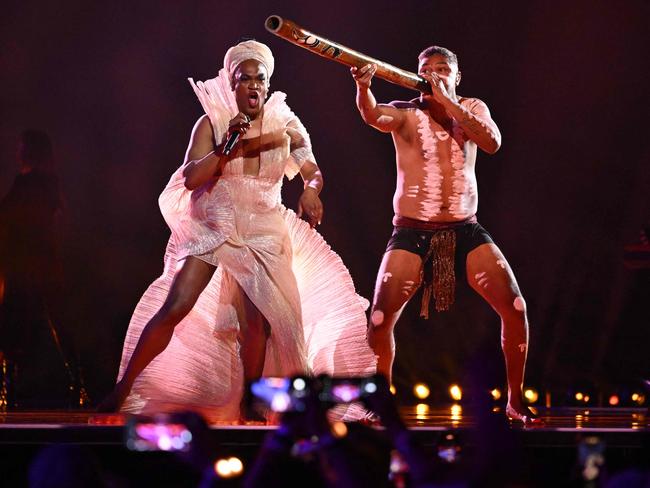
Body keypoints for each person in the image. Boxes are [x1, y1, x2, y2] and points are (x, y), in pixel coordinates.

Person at [100, 40, 374, 421]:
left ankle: (248, 399)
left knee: (258, 321)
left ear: (267, 82)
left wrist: (311, 192)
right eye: (243, 79)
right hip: (216, 222)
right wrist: (225, 148)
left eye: (258, 78)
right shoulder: (211, 121)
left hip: (264, 226)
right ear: (231, 83)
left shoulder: (287, 123)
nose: (252, 85)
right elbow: (192, 177)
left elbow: (312, 170)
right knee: (176, 304)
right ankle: (124, 386)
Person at [350, 46, 538, 424]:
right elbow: (372, 114)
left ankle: (516, 400)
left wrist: (449, 103)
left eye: (442, 69)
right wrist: (363, 88)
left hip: (465, 228)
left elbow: (492, 142)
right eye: (425, 70)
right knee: (380, 318)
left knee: (516, 308)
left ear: (456, 75)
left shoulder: (473, 109)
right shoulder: (405, 112)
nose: (433, 75)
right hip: (411, 231)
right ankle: (379, 405)